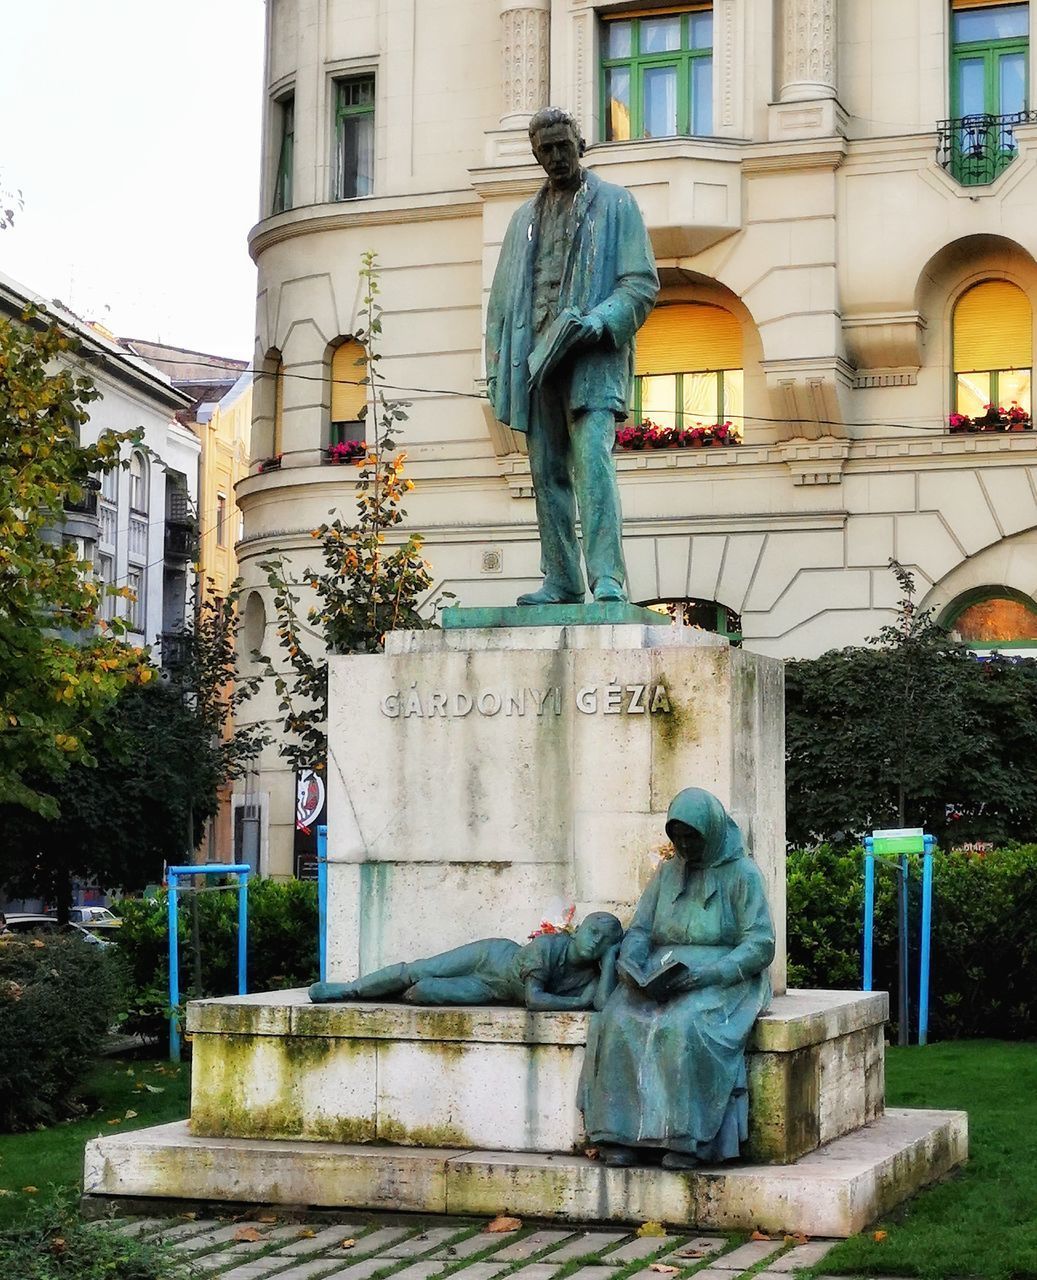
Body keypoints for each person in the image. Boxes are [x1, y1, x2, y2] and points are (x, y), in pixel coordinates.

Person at [486, 106, 659, 606]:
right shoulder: (522, 221)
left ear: (579, 144)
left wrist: (600, 321)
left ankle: (607, 577)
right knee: (546, 474)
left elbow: (641, 284)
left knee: (593, 465)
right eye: (546, 150)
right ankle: (561, 578)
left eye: (564, 146)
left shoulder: (615, 204)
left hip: (591, 358)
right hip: (534, 362)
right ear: (536, 154)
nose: (556, 156)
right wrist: (497, 370)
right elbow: (500, 305)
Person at [578, 789, 775, 1169]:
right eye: (678, 837)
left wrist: (708, 974)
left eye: (693, 837)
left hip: (722, 978)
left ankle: (690, 1139)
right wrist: (632, 961)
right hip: (660, 971)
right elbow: (640, 929)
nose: (685, 846)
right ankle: (619, 1133)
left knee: (681, 1027)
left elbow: (760, 943)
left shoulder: (743, 874)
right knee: (617, 1019)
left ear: (713, 831)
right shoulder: (667, 873)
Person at [308, 911, 623, 1012]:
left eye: (606, 941)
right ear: (577, 929)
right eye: (593, 932)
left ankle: (384, 993)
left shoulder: (590, 974)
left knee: (422, 993)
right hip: (490, 958)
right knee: (418, 970)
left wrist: (609, 962)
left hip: (493, 992)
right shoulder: (548, 946)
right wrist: (576, 1003)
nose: (596, 941)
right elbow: (534, 999)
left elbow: (601, 1004)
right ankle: (350, 990)